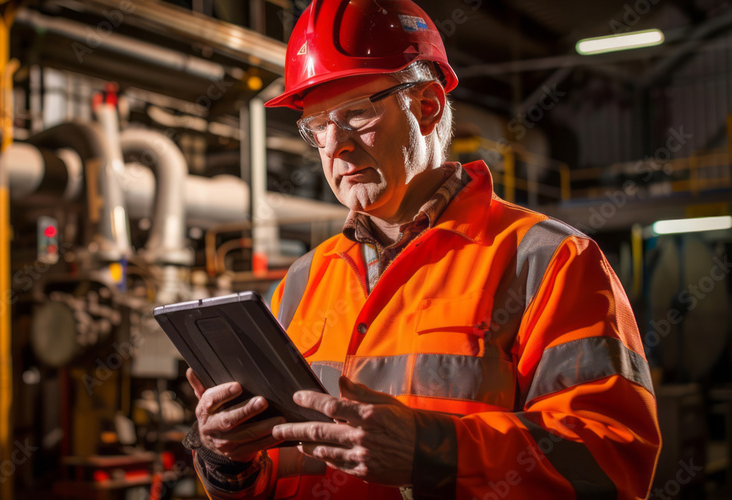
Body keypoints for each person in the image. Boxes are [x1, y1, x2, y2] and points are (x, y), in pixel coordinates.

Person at [183, 0, 661, 498]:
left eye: (355, 114)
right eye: (317, 125)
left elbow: (611, 462)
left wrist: (431, 451)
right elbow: (279, 474)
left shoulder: (549, 261)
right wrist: (226, 459)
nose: (334, 146)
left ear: (428, 107)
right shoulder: (300, 282)